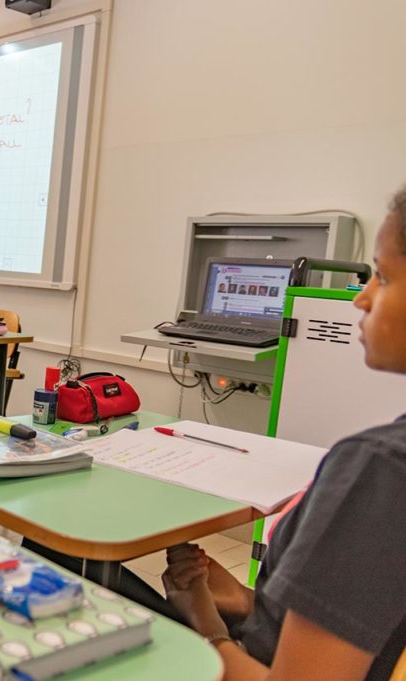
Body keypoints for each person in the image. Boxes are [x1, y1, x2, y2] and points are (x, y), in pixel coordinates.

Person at [161, 188, 406, 680]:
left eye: (381, 276)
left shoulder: (381, 467)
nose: (362, 298)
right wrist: (254, 604)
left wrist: (204, 621)